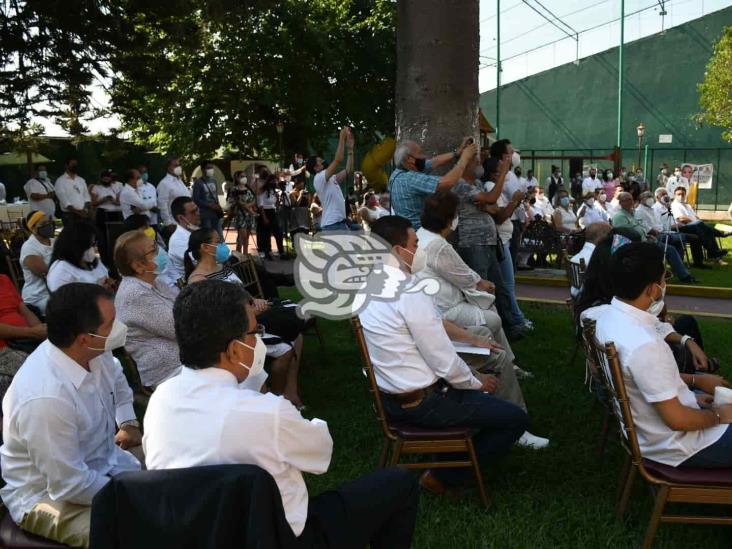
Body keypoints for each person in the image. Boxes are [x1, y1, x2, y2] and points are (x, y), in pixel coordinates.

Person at [142, 280, 419, 546]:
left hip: (194, 537)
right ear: (235, 350)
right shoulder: (266, 412)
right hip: (278, 538)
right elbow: (320, 453)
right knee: (399, 482)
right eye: (255, 331)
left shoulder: (160, 400)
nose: (259, 338)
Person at [359, 216, 528, 495]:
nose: (419, 250)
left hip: (389, 397)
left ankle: (451, 455)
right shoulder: (407, 291)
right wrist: (476, 381)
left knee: (479, 381)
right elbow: (442, 359)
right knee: (514, 419)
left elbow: (432, 337)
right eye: (415, 244)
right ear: (398, 252)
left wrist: (471, 356)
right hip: (422, 403)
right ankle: (445, 476)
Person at [0, 283, 142, 548]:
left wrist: (128, 422)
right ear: (84, 339)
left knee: (172, 498)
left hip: (101, 466)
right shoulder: (46, 398)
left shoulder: (95, 349)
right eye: (111, 323)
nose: (120, 327)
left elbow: (118, 380)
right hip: (47, 497)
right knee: (139, 533)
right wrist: (135, 495)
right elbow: (69, 485)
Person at [581, 242, 732, 469]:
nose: (665, 284)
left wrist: (692, 395)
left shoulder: (602, 317)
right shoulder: (645, 345)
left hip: (651, 432)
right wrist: (719, 416)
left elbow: (642, 383)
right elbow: (677, 419)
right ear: (652, 289)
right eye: (665, 278)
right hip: (678, 445)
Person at [184, 228, 304, 407]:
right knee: (285, 348)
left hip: (253, 319)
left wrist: (255, 301)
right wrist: (250, 311)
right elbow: (216, 317)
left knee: (296, 332)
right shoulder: (199, 281)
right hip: (236, 332)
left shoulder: (222, 268)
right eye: (218, 242)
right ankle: (276, 398)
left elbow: (242, 295)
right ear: (205, 248)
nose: (223, 245)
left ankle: (290, 391)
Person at [452, 153, 526, 337]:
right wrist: (503, 173)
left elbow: (492, 207)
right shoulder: (460, 185)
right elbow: (492, 199)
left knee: (498, 286)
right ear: (466, 165)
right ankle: (484, 330)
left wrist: (488, 203)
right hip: (473, 243)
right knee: (481, 289)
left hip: (488, 243)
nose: (480, 164)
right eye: (476, 161)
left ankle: (508, 329)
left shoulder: (476, 185)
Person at [113, 230, 180, 387]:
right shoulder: (135, 294)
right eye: (154, 250)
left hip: (186, 358)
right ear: (138, 266)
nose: (160, 252)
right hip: (169, 370)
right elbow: (182, 329)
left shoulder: (154, 281)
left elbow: (185, 307)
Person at [390, 136, 477, 230]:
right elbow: (449, 181)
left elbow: (433, 162)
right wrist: (465, 158)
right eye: (420, 153)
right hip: (418, 235)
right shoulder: (409, 179)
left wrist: (457, 153)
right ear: (409, 159)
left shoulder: (398, 174)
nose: (424, 157)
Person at [612, 192, 697, 284]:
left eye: (631, 199)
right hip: (635, 246)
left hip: (648, 239)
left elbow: (642, 228)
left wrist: (648, 236)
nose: (630, 202)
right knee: (670, 248)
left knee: (674, 244)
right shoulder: (620, 217)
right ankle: (683, 275)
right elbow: (624, 236)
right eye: (626, 200)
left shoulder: (633, 213)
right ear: (620, 203)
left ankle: (680, 272)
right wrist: (647, 237)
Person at [0, 273, 46, 401]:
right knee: (35, 369)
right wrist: (30, 332)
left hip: (27, 339)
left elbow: (25, 311)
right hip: (5, 347)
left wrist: (42, 333)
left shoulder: (3, 279)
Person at [307, 127, 358, 232]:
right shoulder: (319, 178)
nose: (323, 161)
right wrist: (342, 138)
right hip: (332, 225)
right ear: (315, 168)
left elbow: (348, 170)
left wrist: (350, 150)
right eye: (320, 161)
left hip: (338, 224)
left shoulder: (331, 179)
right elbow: (338, 159)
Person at [489, 139, 526, 268]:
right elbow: (516, 196)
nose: (514, 154)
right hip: (508, 221)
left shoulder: (510, 174)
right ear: (504, 156)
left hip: (511, 222)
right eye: (511, 152)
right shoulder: (503, 176)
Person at [47, 221, 114, 292]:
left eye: (95, 244)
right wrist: (97, 289)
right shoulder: (61, 271)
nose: (94, 248)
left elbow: (105, 277)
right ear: (75, 245)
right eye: (90, 245)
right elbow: (64, 300)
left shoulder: (93, 261)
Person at [671, 186, 726, 265]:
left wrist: (698, 221)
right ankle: (719, 238)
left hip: (695, 226)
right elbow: (681, 218)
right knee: (704, 228)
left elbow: (696, 217)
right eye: (678, 194)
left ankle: (713, 252)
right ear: (674, 195)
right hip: (683, 227)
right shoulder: (675, 205)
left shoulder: (687, 206)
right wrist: (696, 222)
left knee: (708, 229)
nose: (681, 196)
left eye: (683, 194)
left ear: (685, 194)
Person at [19, 211, 55, 314]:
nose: (48, 226)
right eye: (43, 224)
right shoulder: (29, 248)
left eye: (48, 222)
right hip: (38, 297)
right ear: (33, 229)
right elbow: (44, 273)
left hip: (57, 291)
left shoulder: (54, 242)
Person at [161, 196, 200, 289]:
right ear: (181, 218)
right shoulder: (178, 240)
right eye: (193, 212)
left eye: (197, 209)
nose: (198, 213)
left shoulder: (194, 231)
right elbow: (204, 262)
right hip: (193, 287)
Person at [90, 169, 123, 267]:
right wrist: (103, 200)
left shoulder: (114, 187)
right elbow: (93, 203)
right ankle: (105, 260)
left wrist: (112, 200)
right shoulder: (96, 188)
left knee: (114, 237)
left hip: (114, 214)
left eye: (108, 178)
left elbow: (119, 202)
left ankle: (115, 259)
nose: (106, 180)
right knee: (103, 238)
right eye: (104, 178)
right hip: (102, 213)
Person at [569, 222, 611, 298]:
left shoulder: (580, 256)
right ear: (601, 236)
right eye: (609, 235)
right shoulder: (591, 258)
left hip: (576, 294)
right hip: (588, 299)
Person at [227, 170, 258, 254]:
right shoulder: (234, 189)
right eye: (241, 176)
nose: (244, 178)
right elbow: (232, 201)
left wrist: (248, 206)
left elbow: (254, 200)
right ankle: (239, 254)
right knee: (242, 236)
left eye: (245, 176)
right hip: (240, 215)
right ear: (237, 178)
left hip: (249, 216)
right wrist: (245, 206)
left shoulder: (248, 189)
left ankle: (245, 254)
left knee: (246, 238)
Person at [256, 173, 286, 259]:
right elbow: (260, 205)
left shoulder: (273, 191)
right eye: (273, 181)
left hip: (273, 212)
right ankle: (267, 252)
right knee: (266, 234)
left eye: (276, 181)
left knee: (278, 233)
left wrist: (277, 199)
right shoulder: (262, 191)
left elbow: (275, 203)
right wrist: (264, 217)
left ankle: (281, 252)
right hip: (265, 212)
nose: (275, 182)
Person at [192, 160, 223, 240]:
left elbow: (215, 196)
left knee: (219, 235)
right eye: (208, 168)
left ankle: (219, 251)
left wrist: (218, 206)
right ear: (203, 169)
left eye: (212, 167)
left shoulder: (214, 181)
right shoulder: (198, 183)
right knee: (208, 236)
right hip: (205, 215)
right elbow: (196, 199)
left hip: (215, 213)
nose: (211, 169)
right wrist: (209, 205)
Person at [55, 156, 90, 225]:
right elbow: (64, 201)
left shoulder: (81, 180)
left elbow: (87, 197)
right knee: (71, 235)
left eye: (76, 164)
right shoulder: (60, 181)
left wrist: (85, 210)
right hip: (69, 215)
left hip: (83, 213)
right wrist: (78, 213)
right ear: (66, 165)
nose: (75, 166)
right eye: (72, 164)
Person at [157, 157, 191, 229]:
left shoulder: (179, 181)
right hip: (175, 223)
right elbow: (162, 205)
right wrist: (168, 223)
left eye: (179, 165)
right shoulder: (164, 183)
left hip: (187, 221)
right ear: (169, 167)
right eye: (175, 165)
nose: (178, 167)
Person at [138, 164, 160, 229]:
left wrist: (157, 208)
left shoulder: (152, 187)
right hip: (142, 222)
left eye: (145, 172)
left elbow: (155, 201)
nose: (144, 174)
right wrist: (150, 208)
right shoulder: (136, 187)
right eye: (142, 172)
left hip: (154, 220)